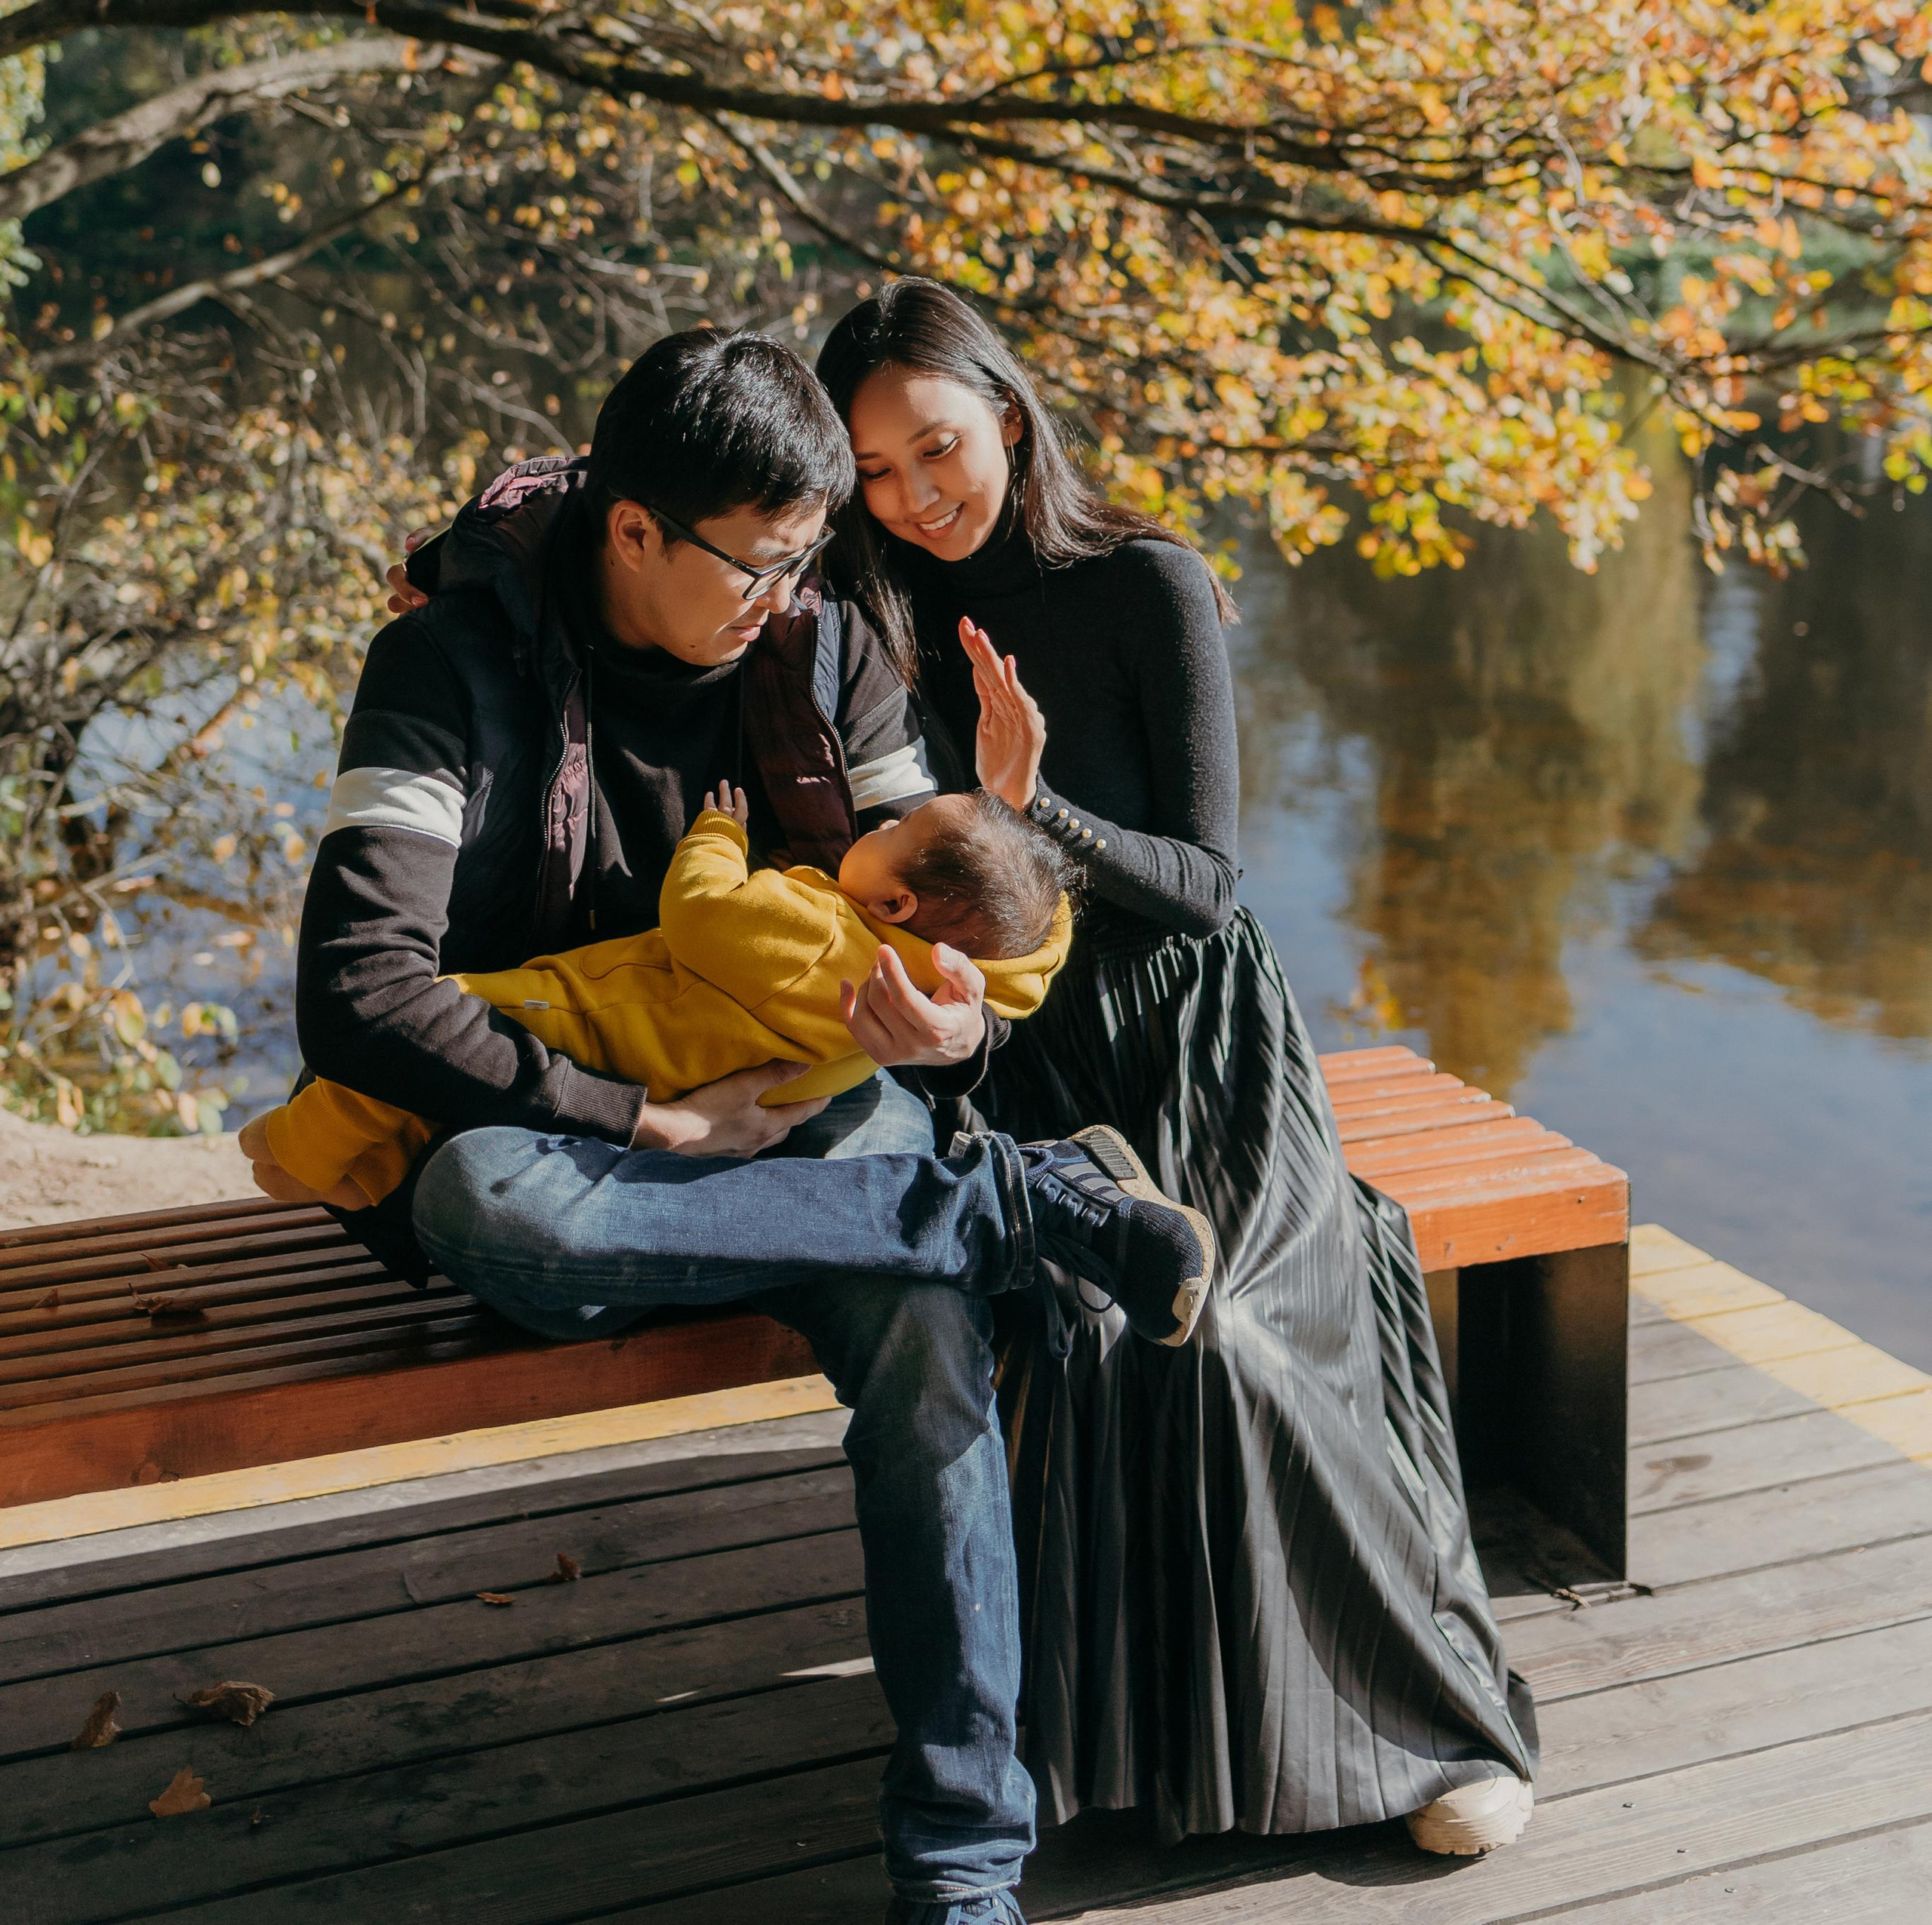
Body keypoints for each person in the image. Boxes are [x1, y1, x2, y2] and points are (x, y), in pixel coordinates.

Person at [264, 321, 1214, 1925]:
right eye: (760, 564)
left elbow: (949, 914)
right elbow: (359, 990)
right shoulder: (445, 666)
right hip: (564, 1138)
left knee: (925, 1342)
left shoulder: (823, 649)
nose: (791, 598)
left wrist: (959, 1021)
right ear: (632, 529)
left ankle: (965, 1866)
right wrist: (634, 1115)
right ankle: (1004, 1206)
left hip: (807, 1120)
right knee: (495, 1208)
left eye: (805, 560)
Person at [814, 279, 1539, 1862]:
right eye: (874, 471)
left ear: (1004, 414)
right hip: (1025, 1042)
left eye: (934, 447)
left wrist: (1036, 805)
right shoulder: (870, 618)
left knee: (1239, 1334)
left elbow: (1207, 885)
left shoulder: (1145, 582)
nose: (913, 494)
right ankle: (1133, 1759)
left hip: (1198, 1036)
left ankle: (1437, 1730)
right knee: (1076, 1329)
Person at [251, 782, 1076, 1211]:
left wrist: (717, 835)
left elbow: (702, 914)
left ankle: (299, 1155)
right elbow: (1041, 945)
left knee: (449, 1011)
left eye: (895, 830)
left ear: (895, 905)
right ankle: (374, 1168)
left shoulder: (824, 937)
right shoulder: (969, 969)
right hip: (710, 1074)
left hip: (619, 1029)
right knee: (446, 1120)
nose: (882, 821)